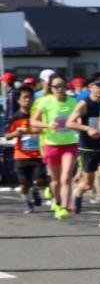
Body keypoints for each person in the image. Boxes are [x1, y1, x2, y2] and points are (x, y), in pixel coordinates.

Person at [66, 73, 100, 225]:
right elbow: (69, 123)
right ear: (90, 87)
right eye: (98, 86)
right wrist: (87, 128)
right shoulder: (84, 104)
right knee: (88, 184)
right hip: (87, 149)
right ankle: (77, 192)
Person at [29, 75, 78, 220]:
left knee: (66, 177)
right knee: (55, 180)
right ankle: (56, 202)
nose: (60, 89)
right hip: (52, 144)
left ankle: (64, 207)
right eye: (56, 86)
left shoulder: (73, 102)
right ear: (51, 88)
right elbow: (33, 121)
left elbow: (79, 118)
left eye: (62, 85)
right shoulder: (45, 102)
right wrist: (48, 125)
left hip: (69, 143)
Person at [5, 85, 44, 213]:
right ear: (18, 100)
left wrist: (40, 130)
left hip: (37, 154)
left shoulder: (37, 115)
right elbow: (7, 136)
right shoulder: (15, 117)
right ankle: (27, 202)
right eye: (25, 97)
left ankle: (35, 191)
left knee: (38, 180)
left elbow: (45, 129)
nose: (28, 100)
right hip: (21, 155)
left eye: (30, 97)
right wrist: (16, 133)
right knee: (24, 184)